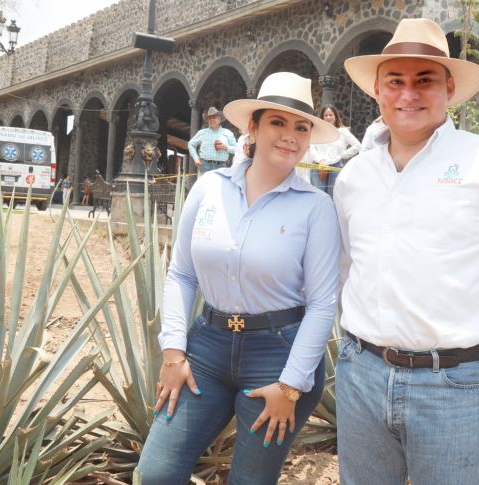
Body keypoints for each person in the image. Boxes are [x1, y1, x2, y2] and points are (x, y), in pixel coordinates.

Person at [334, 18, 479, 484]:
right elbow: (345, 272)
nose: (408, 94)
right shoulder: (353, 177)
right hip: (360, 375)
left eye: (425, 80)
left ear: (450, 88)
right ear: (377, 90)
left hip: (450, 386)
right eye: (395, 81)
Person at [136, 72, 341, 484]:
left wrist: (290, 387)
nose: (289, 137)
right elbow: (181, 273)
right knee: (155, 473)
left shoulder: (316, 208)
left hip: (278, 355)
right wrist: (174, 352)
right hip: (207, 349)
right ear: (253, 127)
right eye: (277, 123)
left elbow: (322, 304)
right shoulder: (208, 188)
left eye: (301, 127)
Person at [306, 105, 361, 196]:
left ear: (335, 116)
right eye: (326, 115)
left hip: (336, 166)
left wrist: (342, 155)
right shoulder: (317, 131)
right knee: (318, 196)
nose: (328, 117)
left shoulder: (343, 132)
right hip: (319, 166)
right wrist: (320, 160)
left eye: (331, 115)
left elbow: (358, 146)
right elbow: (311, 147)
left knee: (334, 196)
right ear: (322, 117)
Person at [188, 106, 237, 174]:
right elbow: (191, 144)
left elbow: (237, 149)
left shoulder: (228, 133)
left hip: (222, 166)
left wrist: (226, 147)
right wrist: (196, 158)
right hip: (205, 166)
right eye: (210, 118)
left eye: (214, 117)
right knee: (206, 185)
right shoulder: (202, 132)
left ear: (220, 119)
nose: (211, 119)